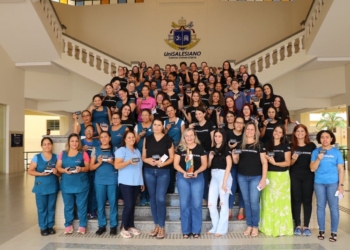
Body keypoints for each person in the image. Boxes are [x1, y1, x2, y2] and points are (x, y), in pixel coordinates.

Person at [232, 122, 267, 237]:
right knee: (246, 202)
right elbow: (236, 162)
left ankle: (255, 226)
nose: (250, 131)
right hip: (242, 176)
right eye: (248, 129)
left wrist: (263, 178)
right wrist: (234, 156)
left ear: (255, 131)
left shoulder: (260, 145)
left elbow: (264, 162)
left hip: (255, 177)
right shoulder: (240, 145)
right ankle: (249, 225)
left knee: (254, 202)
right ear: (245, 131)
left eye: (252, 129)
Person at [142, 118, 175, 239]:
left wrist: (162, 163)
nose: (156, 127)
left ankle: (162, 226)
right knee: (153, 199)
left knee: (160, 199)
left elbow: (171, 157)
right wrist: (148, 160)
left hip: (163, 172)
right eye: (154, 124)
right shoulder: (147, 139)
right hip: (149, 171)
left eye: (159, 125)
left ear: (162, 126)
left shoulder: (168, 139)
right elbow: (143, 156)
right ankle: (156, 225)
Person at [310, 130, 344, 243]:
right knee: (320, 207)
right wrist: (319, 158)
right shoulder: (316, 152)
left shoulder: (337, 152)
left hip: (333, 183)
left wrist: (341, 185)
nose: (324, 139)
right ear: (319, 139)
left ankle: (334, 231)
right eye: (322, 137)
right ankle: (321, 230)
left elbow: (341, 169)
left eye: (327, 137)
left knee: (333, 207)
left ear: (331, 139)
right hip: (319, 183)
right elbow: (312, 168)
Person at [259, 125, 293, 237]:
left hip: (282, 177)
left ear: (283, 134)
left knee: (281, 202)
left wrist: (274, 163)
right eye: (275, 131)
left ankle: (281, 228)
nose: (277, 133)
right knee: (268, 201)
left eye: (280, 132)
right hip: (268, 176)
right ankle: (268, 227)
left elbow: (288, 162)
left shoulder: (286, 146)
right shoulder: (267, 145)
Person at [174, 128, 208, 239]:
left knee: (197, 205)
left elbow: (204, 164)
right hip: (183, 178)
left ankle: (196, 230)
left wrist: (197, 172)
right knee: (184, 204)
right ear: (184, 137)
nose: (189, 138)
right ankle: (186, 230)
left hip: (197, 178)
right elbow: (176, 164)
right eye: (186, 136)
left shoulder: (200, 149)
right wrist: (184, 172)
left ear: (195, 136)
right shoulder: (180, 149)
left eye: (191, 135)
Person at [56, 133, 90, 235]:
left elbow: (88, 167)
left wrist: (81, 168)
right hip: (67, 185)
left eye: (76, 141)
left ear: (79, 142)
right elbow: (58, 166)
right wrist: (64, 170)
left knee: (82, 206)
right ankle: (68, 225)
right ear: (68, 142)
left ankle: (82, 225)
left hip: (81, 185)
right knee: (68, 206)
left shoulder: (83, 153)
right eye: (72, 141)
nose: (74, 143)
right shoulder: (63, 153)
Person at [115, 131, 145, 238]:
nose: (131, 139)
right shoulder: (121, 151)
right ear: (124, 139)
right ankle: (123, 227)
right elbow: (117, 165)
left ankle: (131, 226)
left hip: (136, 182)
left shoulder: (137, 151)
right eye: (129, 137)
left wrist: (141, 182)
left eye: (133, 137)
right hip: (126, 182)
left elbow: (139, 168)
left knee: (132, 205)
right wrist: (128, 162)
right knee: (128, 205)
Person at [28, 137, 60, 236]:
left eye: (49, 144)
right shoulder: (37, 157)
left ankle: (50, 226)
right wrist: (41, 174)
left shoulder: (56, 157)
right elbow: (30, 171)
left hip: (52, 186)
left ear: (52, 145)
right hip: (41, 186)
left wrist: (56, 172)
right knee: (42, 208)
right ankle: (43, 227)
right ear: (42, 146)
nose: (47, 146)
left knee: (51, 207)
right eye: (44, 144)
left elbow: (60, 173)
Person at [290, 124, 316, 236]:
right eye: (297, 131)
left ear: (306, 133)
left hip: (308, 176)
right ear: (294, 133)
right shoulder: (291, 146)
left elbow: (315, 162)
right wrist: (293, 160)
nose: (300, 133)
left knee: (307, 200)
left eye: (302, 131)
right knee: (296, 200)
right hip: (294, 176)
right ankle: (297, 225)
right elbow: (288, 164)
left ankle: (306, 226)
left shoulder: (311, 146)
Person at [90, 131, 118, 236]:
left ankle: (113, 226)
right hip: (99, 181)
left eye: (106, 136)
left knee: (113, 204)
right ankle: (101, 225)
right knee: (100, 204)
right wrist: (99, 162)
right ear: (99, 139)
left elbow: (119, 166)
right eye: (101, 137)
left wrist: (112, 162)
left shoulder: (115, 149)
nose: (104, 139)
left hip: (112, 180)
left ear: (110, 138)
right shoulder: (95, 150)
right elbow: (90, 167)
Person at [207, 129, 232, 236]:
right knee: (211, 204)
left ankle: (222, 229)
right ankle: (215, 226)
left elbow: (229, 165)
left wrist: (224, 182)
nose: (217, 138)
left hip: (224, 176)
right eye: (215, 136)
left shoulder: (226, 148)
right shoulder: (212, 149)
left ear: (223, 137)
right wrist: (210, 158)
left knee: (223, 203)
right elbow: (208, 166)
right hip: (214, 176)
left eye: (219, 136)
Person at [189, 107, 216, 204]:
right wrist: (190, 128)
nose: (198, 116)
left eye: (200, 113)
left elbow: (213, 140)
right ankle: (203, 197)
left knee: (208, 176)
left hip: (208, 152)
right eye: (196, 114)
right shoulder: (194, 126)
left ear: (204, 114)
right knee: (201, 175)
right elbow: (190, 138)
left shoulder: (210, 124)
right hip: (197, 154)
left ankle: (209, 197)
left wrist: (212, 151)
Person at [226, 116, 245, 220]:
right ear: (234, 123)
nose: (239, 124)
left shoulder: (246, 135)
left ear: (244, 125)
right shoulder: (228, 133)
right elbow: (223, 148)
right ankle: (229, 209)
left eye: (241, 123)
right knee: (232, 186)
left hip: (243, 164)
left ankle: (242, 209)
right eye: (237, 122)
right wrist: (230, 148)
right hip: (231, 164)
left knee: (242, 187)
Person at [81, 125, 100, 219]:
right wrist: (81, 149)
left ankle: (93, 210)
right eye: (87, 130)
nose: (89, 132)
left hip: (94, 169)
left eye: (91, 130)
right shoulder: (80, 142)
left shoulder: (97, 142)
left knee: (94, 191)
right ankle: (86, 210)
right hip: (83, 170)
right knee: (85, 191)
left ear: (94, 132)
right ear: (84, 132)